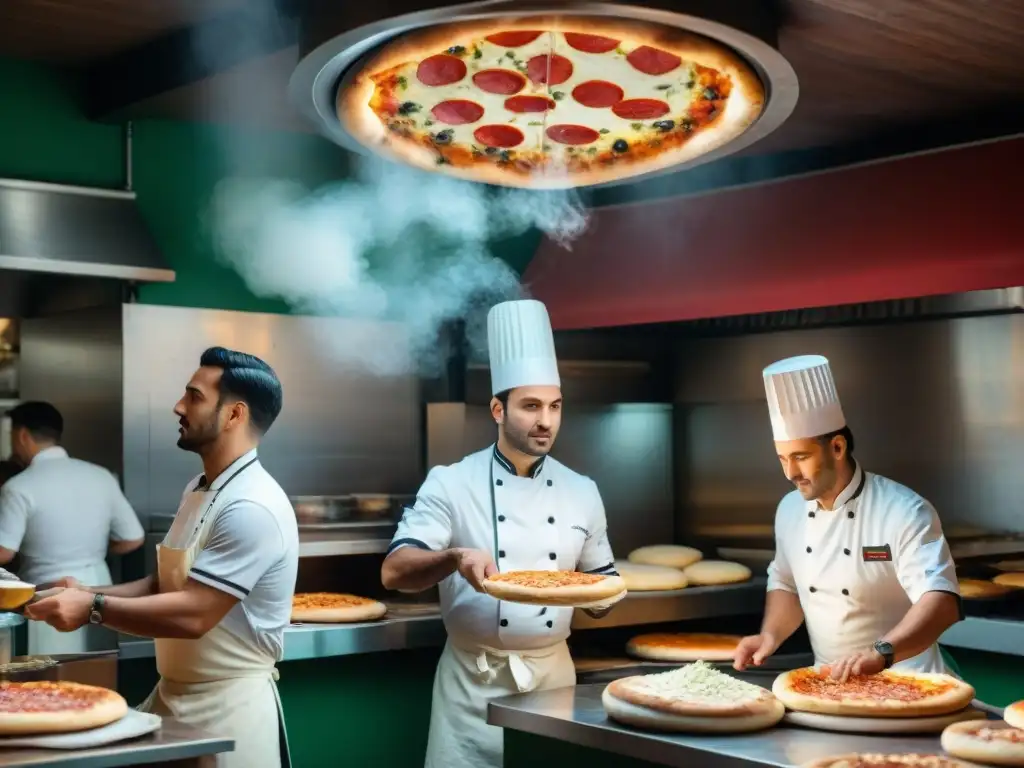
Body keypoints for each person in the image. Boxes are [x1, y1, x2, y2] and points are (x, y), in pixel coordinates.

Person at [26, 348, 297, 768]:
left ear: (234, 415)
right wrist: (86, 590)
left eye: (194, 396)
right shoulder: (200, 487)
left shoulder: (252, 505)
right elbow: (164, 584)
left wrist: (93, 609)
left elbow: (194, 613)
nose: (178, 406)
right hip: (174, 697)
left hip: (229, 713)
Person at [381, 299, 621, 768]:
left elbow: (602, 586)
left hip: (554, 683)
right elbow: (394, 573)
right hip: (473, 684)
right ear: (496, 408)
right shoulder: (450, 482)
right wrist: (453, 558)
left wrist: (599, 595)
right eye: (531, 406)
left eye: (554, 406)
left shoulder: (582, 490)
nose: (545, 421)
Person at [733, 354, 962, 680]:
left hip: (911, 681)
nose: (790, 473)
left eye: (800, 457)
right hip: (829, 685)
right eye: (782, 458)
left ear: (837, 447)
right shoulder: (789, 510)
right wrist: (770, 636)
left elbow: (941, 601)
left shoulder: (903, 510)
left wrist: (882, 654)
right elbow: (785, 581)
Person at [0, 401, 144, 653]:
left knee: (50, 678)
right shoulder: (100, 476)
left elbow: (4, 553)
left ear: (21, 435)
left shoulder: (19, 486)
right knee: (99, 670)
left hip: (50, 594)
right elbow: (133, 538)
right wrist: (90, 550)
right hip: (101, 592)